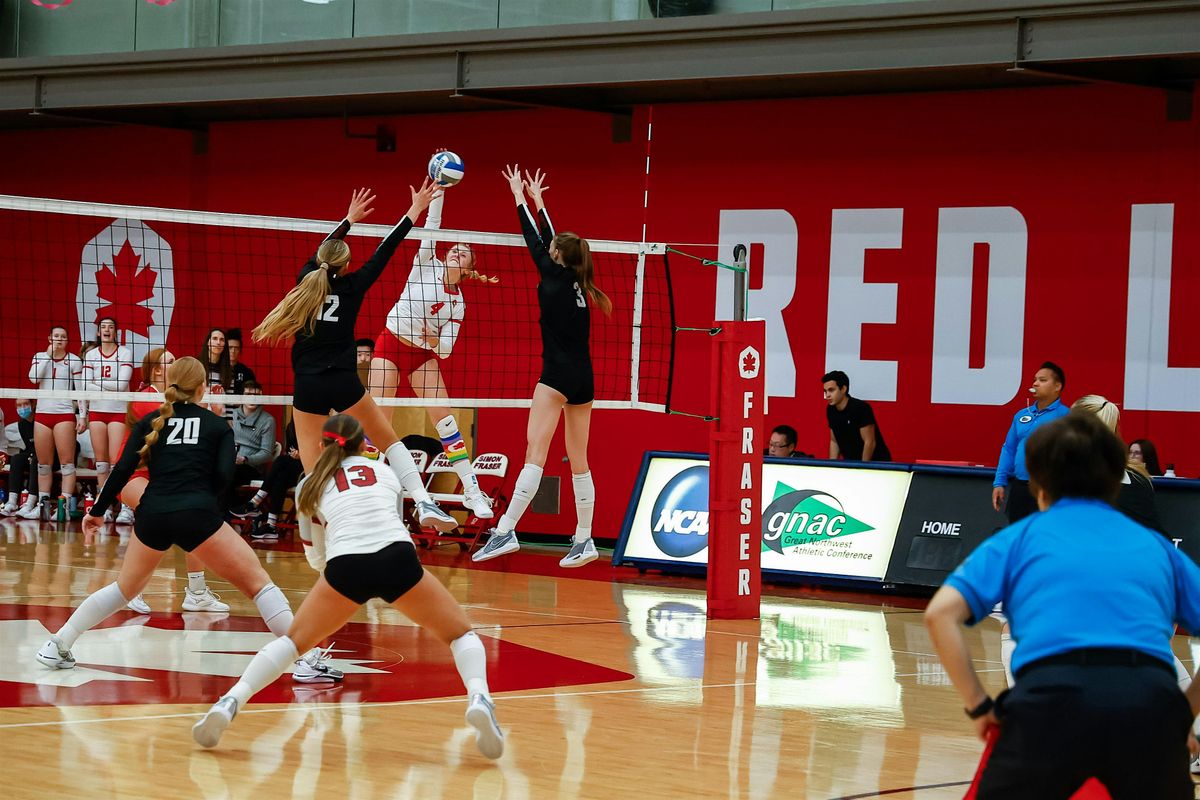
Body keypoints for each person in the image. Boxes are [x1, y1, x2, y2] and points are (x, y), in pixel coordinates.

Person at [192, 414, 504, 757]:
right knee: (460, 634)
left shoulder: (310, 484)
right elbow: (391, 522)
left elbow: (315, 555)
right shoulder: (386, 473)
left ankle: (229, 701)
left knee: (293, 643)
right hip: (396, 558)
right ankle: (480, 698)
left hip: (346, 565)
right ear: (364, 445)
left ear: (323, 445)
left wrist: (336, 582)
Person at [924, 411, 1200, 798]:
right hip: (1146, 707)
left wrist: (978, 705)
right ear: (1115, 482)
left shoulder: (1020, 539)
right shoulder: (1158, 549)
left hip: (1049, 704)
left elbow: (939, 615)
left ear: (1038, 484)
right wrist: (1183, 712)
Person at [36, 357, 342, 684]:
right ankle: (307, 659)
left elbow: (121, 470)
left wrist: (96, 513)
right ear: (202, 389)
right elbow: (224, 477)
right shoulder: (215, 425)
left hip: (153, 512)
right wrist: (215, 511)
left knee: (124, 589)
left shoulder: (151, 421)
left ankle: (59, 643)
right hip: (196, 513)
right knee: (258, 583)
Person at [251, 185, 456, 533]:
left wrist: (348, 220)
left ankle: (335, 522)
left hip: (309, 385)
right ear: (346, 266)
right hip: (344, 381)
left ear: (320, 262)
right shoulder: (353, 287)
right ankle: (422, 498)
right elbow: (384, 251)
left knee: (314, 470)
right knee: (389, 440)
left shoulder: (305, 281)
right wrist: (413, 210)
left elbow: (323, 253)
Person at [472, 166, 609, 568]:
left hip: (556, 378)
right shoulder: (580, 280)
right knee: (578, 459)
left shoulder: (550, 276)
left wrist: (519, 197)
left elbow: (535, 239)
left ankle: (505, 530)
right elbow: (552, 240)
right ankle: (585, 540)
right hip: (585, 379)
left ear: (557, 257)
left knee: (535, 452)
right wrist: (540, 201)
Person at [368, 158, 497, 521]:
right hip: (391, 345)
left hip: (423, 356)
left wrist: (433, 338)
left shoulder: (458, 303)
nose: (456, 250)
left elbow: (447, 349)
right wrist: (437, 190)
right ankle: (371, 488)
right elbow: (433, 225)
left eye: (464, 252)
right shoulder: (427, 262)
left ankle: (472, 492)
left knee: (446, 420)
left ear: (468, 268)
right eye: (454, 248)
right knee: (380, 419)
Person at [114, 348, 229, 614]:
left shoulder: (180, 403)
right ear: (157, 371)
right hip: (134, 477)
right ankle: (131, 589)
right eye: (169, 362)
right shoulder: (145, 398)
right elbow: (175, 423)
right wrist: (206, 408)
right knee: (157, 514)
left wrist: (214, 411)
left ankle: (197, 592)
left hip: (163, 478)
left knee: (194, 517)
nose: (176, 364)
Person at [991, 361, 1069, 522]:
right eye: (1035, 379)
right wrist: (999, 482)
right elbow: (1009, 449)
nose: (1035, 383)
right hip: (1019, 487)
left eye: (1042, 380)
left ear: (1057, 386)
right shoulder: (1021, 415)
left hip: (1048, 490)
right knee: (1018, 535)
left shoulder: (1066, 416)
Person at [21, 326, 85, 521]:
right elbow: (34, 378)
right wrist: (49, 355)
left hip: (64, 413)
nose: (59, 340)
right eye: (56, 336)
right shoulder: (40, 356)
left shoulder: (74, 360)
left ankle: (63, 507)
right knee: (43, 465)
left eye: (63, 337)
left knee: (67, 464)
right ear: (49, 338)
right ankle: (43, 507)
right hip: (42, 414)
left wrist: (82, 416)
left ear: (67, 340)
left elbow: (80, 390)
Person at [83, 317, 134, 519]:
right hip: (97, 411)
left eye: (111, 327)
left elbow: (122, 385)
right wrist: (103, 385)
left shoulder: (124, 352)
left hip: (118, 411)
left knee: (117, 463)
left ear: (116, 332)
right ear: (98, 332)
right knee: (101, 464)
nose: (106, 330)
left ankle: (125, 507)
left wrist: (97, 383)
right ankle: (103, 508)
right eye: (103, 327)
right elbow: (85, 385)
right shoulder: (91, 355)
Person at [231, 419, 302, 540]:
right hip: (292, 469)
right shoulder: (291, 426)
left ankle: (255, 502)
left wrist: (301, 455)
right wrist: (295, 454)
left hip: (308, 469)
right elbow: (290, 449)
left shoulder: (315, 424)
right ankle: (271, 525)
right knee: (280, 478)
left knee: (281, 461)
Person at [822, 370, 891, 462]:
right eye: (825, 391)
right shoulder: (831, 410)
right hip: (852, 463)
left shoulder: (860, 408)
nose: (827, 395)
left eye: (831, 390)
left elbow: (869, 442)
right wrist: (831, 466)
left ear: (843, 389)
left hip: (878, 464)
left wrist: (862, 468)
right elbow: (834, 441)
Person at [229, 380, 276, 495]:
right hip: (229, 461)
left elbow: (267, 453)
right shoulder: (231, 414)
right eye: (248, 395)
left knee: (229, 474)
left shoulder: (268, 420)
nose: (252, 399)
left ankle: (226, 511)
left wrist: (245, 459)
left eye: (256, 396)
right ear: (241, 397)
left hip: (252, 468)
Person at [1, 398, 37, 517]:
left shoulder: (40, 420)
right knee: (17, 458)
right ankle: (12, 502)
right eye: (19, 405)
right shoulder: (22, 423)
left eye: (25, 404)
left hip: (48, 457)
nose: (22, 408)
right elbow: (30, 445)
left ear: (33, 404)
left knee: (35, 459)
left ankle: (30, 504)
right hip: (33, 454)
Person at [198, 328, 233, 422]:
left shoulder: (228, 370)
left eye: (222, 340)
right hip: (201, 419)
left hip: (220, 421)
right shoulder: (196, 366)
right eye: (215, 338)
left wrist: (229, 425)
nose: (218, 342)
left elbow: (229, 404)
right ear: (208, 342)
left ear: (225, 345)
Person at [224, 328, 257, 395]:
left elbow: (252, 394)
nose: (233, 351)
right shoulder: (217, 369)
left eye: (236, 348)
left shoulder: (247, 372)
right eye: (230, 347)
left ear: (240, 350)